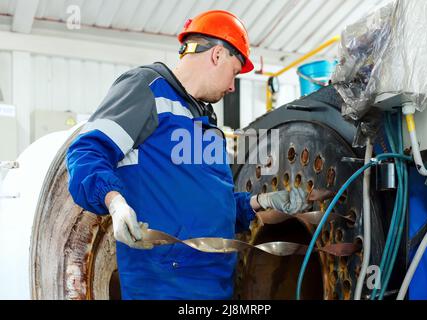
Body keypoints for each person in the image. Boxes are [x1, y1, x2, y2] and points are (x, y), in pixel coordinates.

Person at [66, 10, 323, 300]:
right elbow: (85, 152)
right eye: (234, 73)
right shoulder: (147, 89)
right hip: (163, 288)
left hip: (216, 288)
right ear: (217, 55)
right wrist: (115, 203)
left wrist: (258, 203)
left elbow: (215, 208)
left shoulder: (208, 124)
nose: (231, 86)